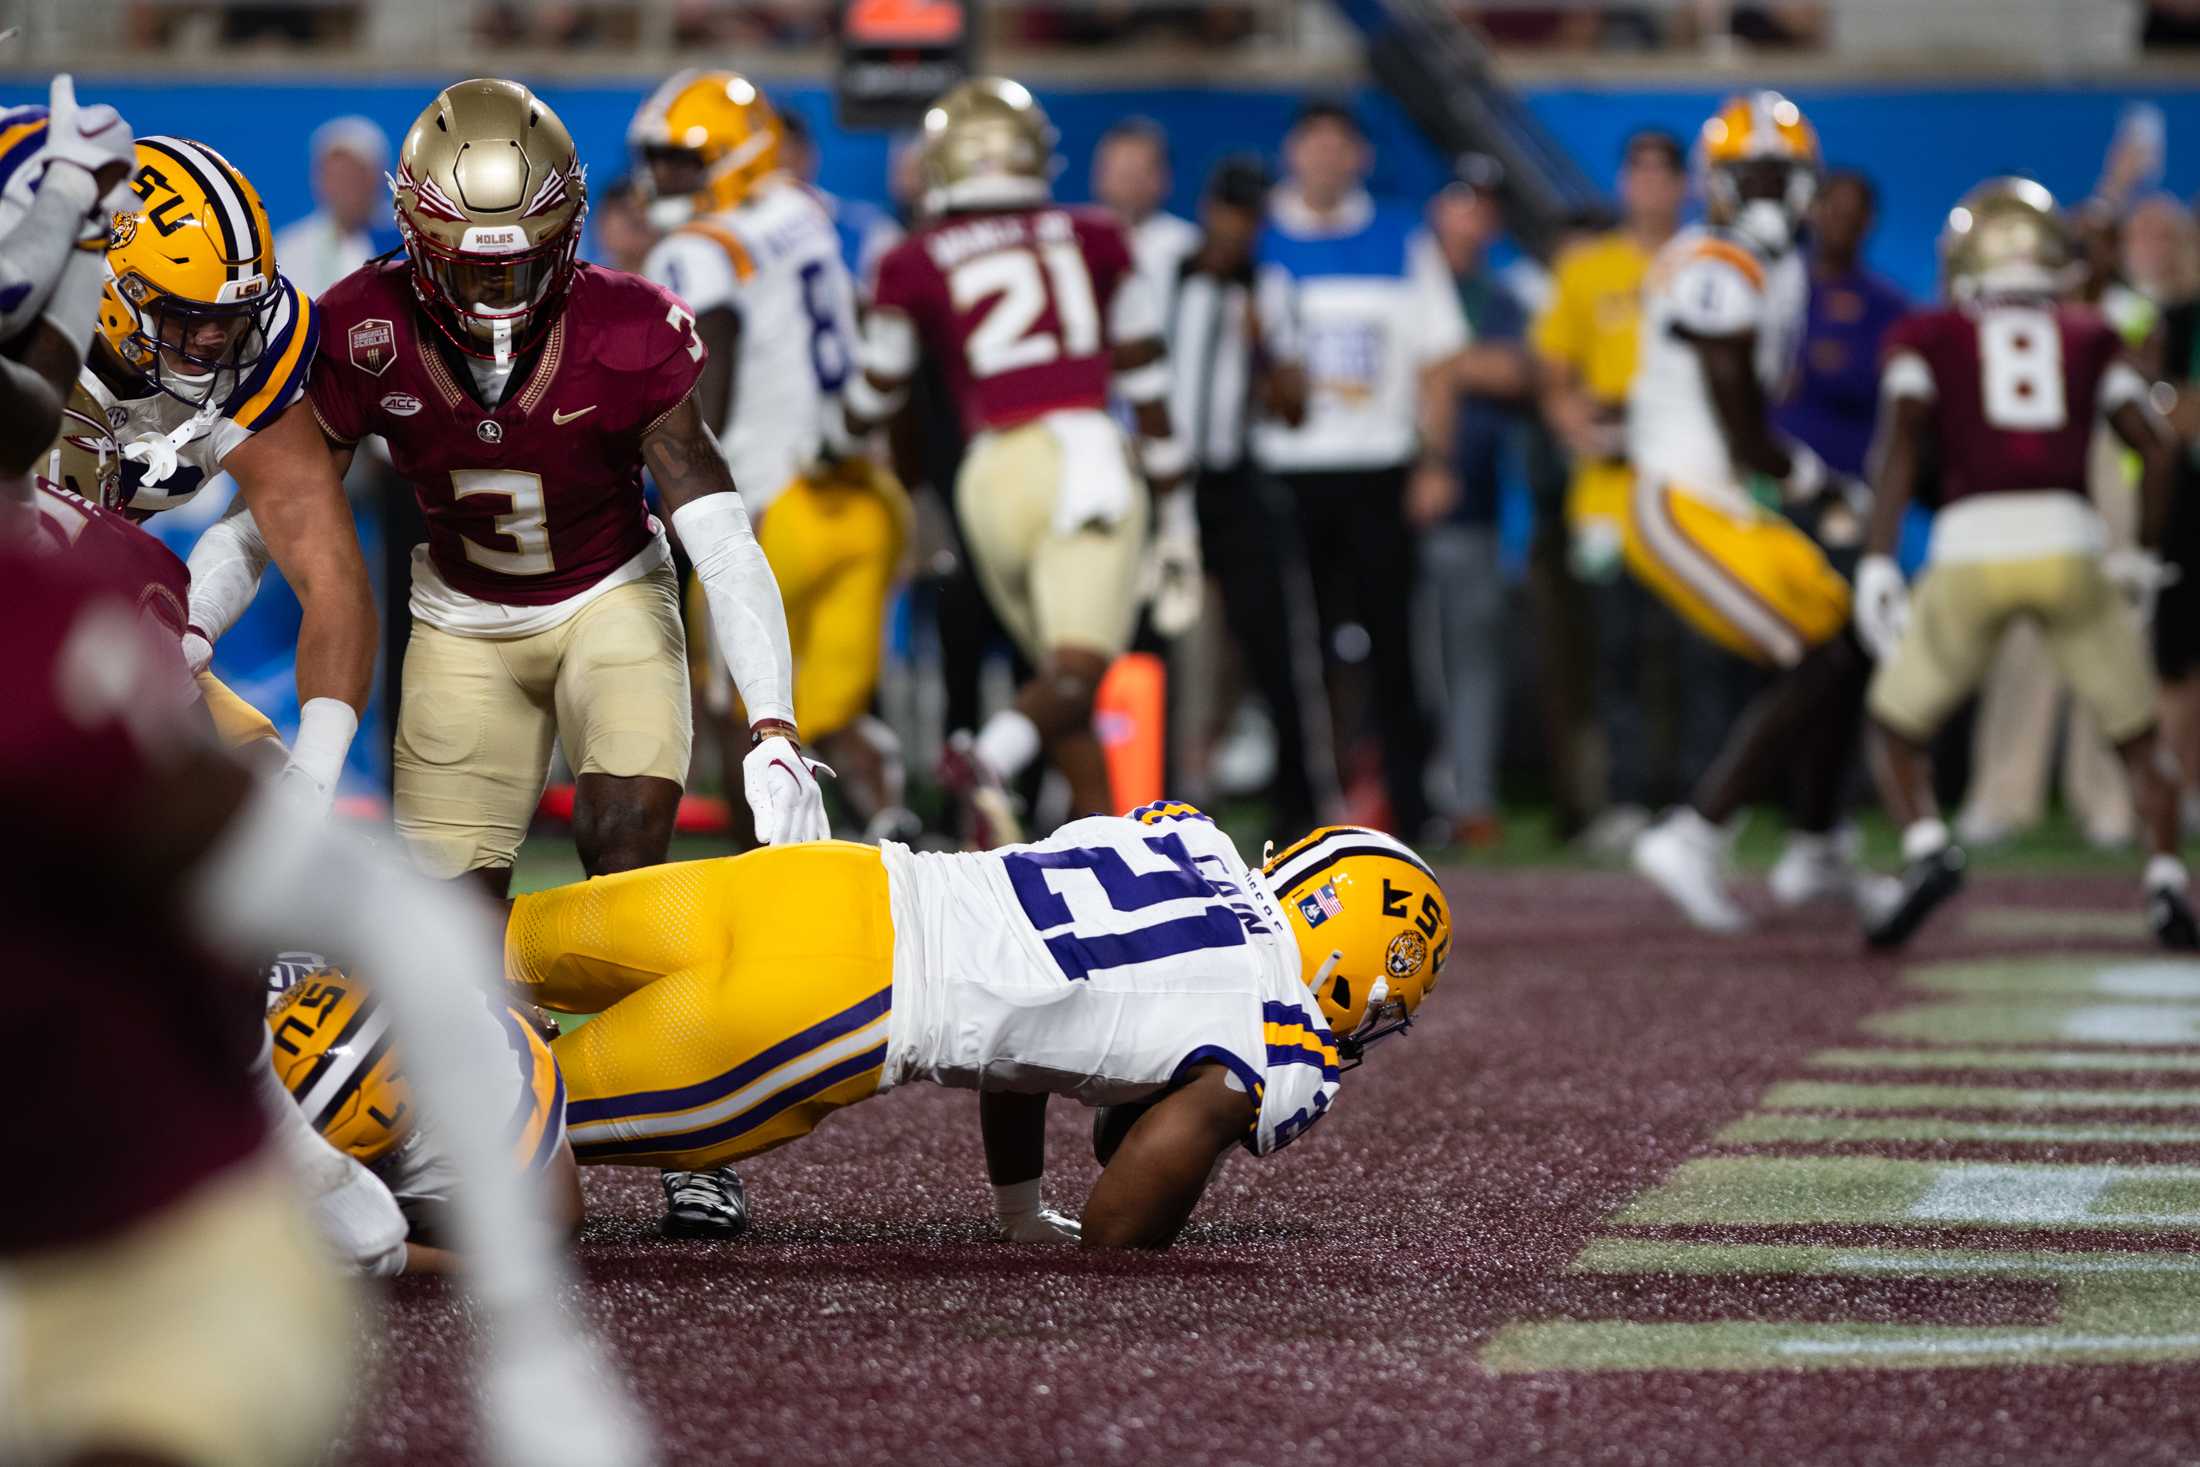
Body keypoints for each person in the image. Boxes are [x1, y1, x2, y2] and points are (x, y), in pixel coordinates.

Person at [276, 807, 1453, 1250]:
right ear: (1357, 983)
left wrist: (1007, 1210)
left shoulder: (1188, 840)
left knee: (471, 939)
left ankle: (240, 983)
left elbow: (1036, 1038)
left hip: (823, 883)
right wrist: (1162, 1173)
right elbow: (1122, 1224)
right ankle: (263, 1181)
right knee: (510, 1149)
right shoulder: (1266, 1038)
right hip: (832, 1014)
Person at [303, 77, 828, 899]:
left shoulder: (627, 326)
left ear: (568, 231)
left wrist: (773, 725)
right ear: (414, 235)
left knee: (623, 846)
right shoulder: (363, 325)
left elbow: (723, 540)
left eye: (523, 266)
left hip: (608, 593)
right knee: (455, 918)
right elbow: (278, 512)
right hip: (461, 620)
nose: (495, 296)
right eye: (471, 268)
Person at [849, 77, 1199, 844]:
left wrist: (833, 446)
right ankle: (992, 754)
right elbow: (1148, 382)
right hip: (1083, 460)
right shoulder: (1101, 236)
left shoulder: (909, 257)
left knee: (1058, 680)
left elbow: (876, 394)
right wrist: (1179, 520)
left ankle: (1106, 842)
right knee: (1078, 670)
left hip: (990, 478)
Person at [1852, 178, 2193, 949]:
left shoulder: (1930, 332)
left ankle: (1927, 848)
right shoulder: (2086, 334)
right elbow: (2159, 448)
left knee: (1894, 725)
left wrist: (1878, 556)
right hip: (2070, 540)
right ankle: (2166, 878)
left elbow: (1903, 442)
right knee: (2138, 739)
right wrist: (2137, 553)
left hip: (1973, 545)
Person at [40, 133, 378, 811]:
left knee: (256, 821)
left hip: (108, 606)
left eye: (230, 319)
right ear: (112, 285)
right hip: (32, 596)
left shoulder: (254, 351)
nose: (215, 342)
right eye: (187, 319)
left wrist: (312, 780)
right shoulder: (32, 332)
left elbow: (331, 576)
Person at [1624, 93, 1890, 932]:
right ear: (1721, 185)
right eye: (1757, 178)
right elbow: (1734, 404)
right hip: (1680, 499)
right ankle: (1693, 833)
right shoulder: (1715, 259)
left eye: (1784, 178)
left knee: (1845, 640)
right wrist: (1813, 475)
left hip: (1726, 506)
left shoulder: (1770, 266)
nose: (1773, 195)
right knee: (1813, 654)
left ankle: (1816, 844)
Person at [631, 70, 916, 841]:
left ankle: (760, 869)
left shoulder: (697, 249)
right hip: (858, 497)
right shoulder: (804, 212)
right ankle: (891, 826)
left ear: (737, 155)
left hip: (767, 512)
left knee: (740, 704)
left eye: (685, 162)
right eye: (660, 160)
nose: (664, 178)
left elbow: (709, 363)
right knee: (827, 707)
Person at [1251, 100, 1469, 842]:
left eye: (1338, 146)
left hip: (1379, 469)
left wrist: (1436, 459)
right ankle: (1298, 805)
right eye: (1311, 144)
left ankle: (1410, 808)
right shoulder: (1257, 238)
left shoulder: (1402, 237)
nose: (1324, 159)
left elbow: (1440, 361)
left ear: (1360, 159)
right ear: (1291, 154)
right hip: (1288, 472)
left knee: (1395, 647)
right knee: (1294, 651)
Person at [1533, 129, 1727, 855]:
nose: (1649, 188)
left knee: (1694, 650)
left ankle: (1699, 803)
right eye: (1637, 173)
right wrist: (1576, 420)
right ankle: (1622, 797)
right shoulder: (1588, 269)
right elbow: (1555, 374)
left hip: (1691, 488)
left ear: (1684, 185)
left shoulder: (1708, 264)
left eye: (1662, 174)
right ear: (1622, 184)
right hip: (1607, 496)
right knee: (1614, 650)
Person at [1166, 152, 1331, 833]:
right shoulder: (1165, 274)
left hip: (1234, 484)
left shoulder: (1268, 288)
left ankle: (1300, 802)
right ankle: (1149, 788)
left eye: (1252, 216)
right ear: (1211, 211)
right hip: (1166, 480)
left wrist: (1265, 349)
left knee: (1273, 642)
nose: (1240, 229)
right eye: (1232, 212)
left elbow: (1295, 407)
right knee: (1158, 641)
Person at [1422, 155, 1533, 848]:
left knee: (1472, 658)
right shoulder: (1408, 281)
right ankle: (1413, 793)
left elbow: (1517, 370)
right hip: (1399, 499)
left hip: (1478, 504)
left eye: (1486, 207)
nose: (1474, 217)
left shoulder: (1503, 297)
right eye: (1463, 202)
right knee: (1410, 661)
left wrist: (1445, 365)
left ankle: (1471, 797)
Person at [1774, 169, 1908, 484]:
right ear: (1813, 211)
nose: (1841, 222)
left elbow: (1887, 387)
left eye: (1852, 213)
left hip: (1844, 479)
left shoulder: (1888, 305)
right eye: (1833, 209)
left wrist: (1809, 366)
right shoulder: (1774, 284)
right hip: (1769, 474)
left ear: (1868, 221)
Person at [272, 114, 397, 300]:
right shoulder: (290, 247)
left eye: (352, 174)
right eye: (334, 175)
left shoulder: (404, 238)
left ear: (376, 177)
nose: (343, 186)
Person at [1091, 115, 1201, 324]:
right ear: (1098, 174)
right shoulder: (1072, 242)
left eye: (1138, 172)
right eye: (1121, 172)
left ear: (1163, 178)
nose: (1129, 184)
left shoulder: (1190, 248)